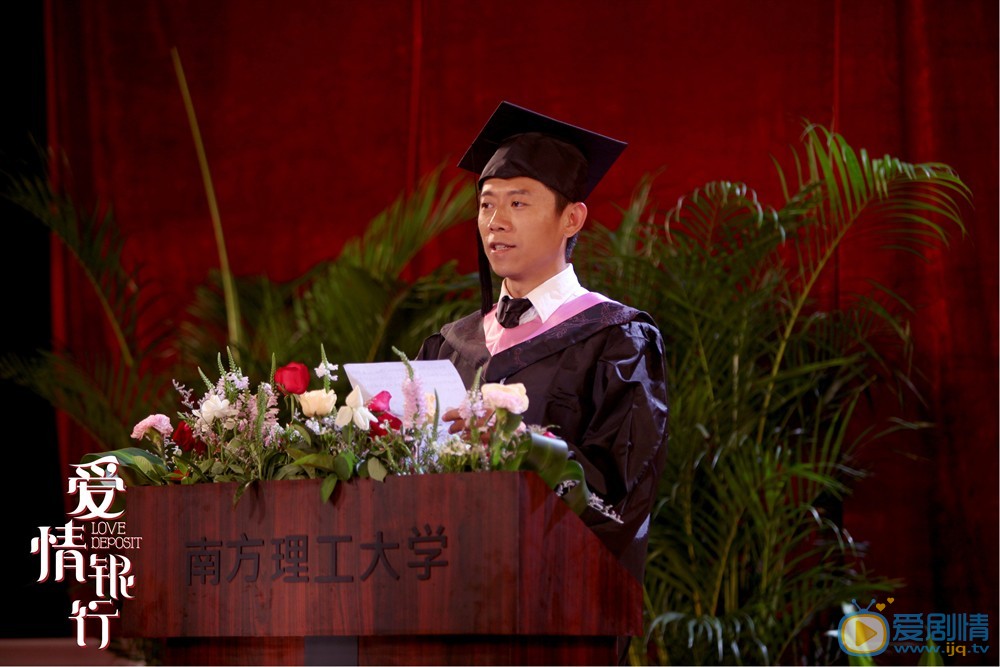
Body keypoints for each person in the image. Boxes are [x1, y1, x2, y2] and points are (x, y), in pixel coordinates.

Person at [418, 102, 668, 584]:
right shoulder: (450, 345)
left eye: (518, 202)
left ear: (571, 219)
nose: (495, 221)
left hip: (555, 594)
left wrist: (527, 449)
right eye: (487, 203)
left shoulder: (617, 340)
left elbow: (622, 496)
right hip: (445, 588)